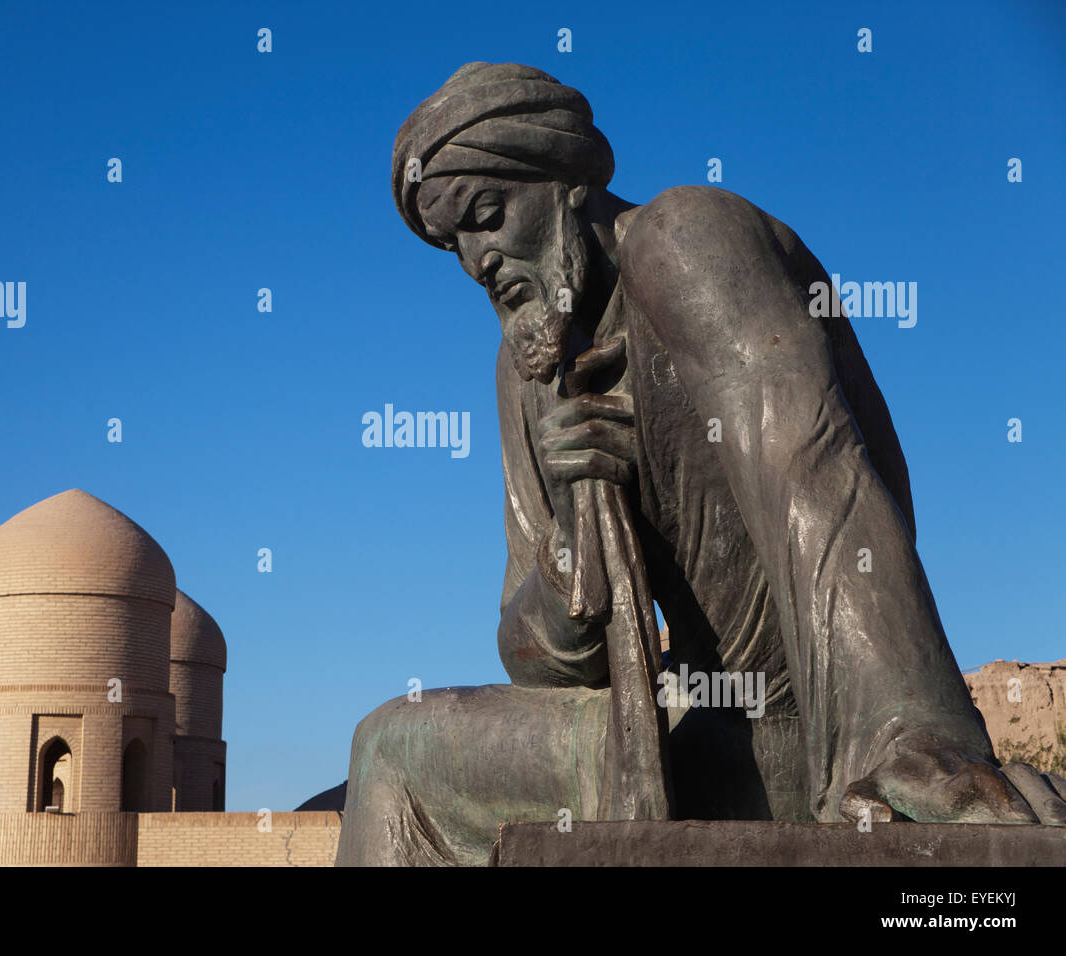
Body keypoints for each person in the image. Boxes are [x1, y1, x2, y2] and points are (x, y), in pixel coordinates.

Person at [336, 62, 1066, 866]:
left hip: (802, 733)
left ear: (567, 179)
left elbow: (813, 467)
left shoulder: (686, 238)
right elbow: (532, 654)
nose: (477, 260)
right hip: (669, 729)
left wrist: (914, 734)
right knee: (391, 748)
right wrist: (573, 546)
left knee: (388, 756)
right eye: (454, 242)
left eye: (487, 214)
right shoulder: (527, 366)